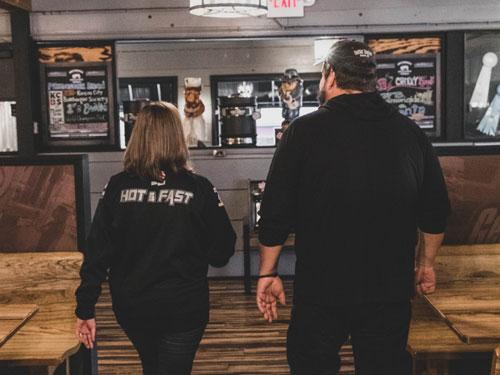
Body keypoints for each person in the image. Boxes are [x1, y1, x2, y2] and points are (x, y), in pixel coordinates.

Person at [255, 40, 450, 375]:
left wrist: (268, 272)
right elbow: (435, 211)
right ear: (371, 80)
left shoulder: (303, 131)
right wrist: (427, 264)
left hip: (321, 289)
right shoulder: (410, 133)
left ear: (330, 76)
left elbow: (275, 212)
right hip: (387, 290)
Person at [75, 102, 236, 375]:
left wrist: (85, 308)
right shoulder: (199, 187)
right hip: (183, 307)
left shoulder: (117, 186)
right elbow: (222, 252)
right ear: (177, 136)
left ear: (138, 135)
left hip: (132, 307)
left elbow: (97, 252)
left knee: (153, 365)